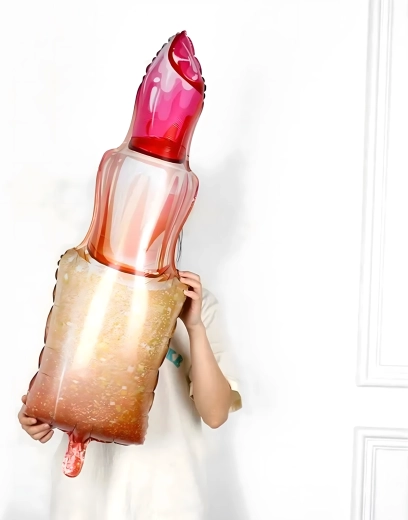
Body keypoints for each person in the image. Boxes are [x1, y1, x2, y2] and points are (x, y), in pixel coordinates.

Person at [18, 270, 242, 520]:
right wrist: (38, 416)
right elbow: (60, 381)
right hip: (85, 494)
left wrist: (194, 326)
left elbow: (215, 414)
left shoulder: (197, 303)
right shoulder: (85, 285)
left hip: (168, 495)